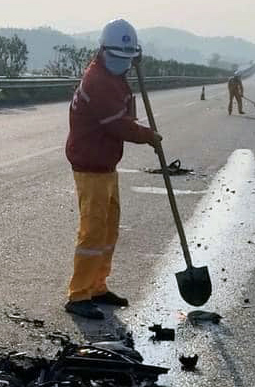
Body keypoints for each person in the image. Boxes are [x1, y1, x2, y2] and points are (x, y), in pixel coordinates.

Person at [62, 18, 162, 321]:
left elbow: (124, 112)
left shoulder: (114, 74)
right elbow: (119, 125)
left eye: (127, 59)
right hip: (90, 165)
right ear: (102, 51)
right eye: (118, 58)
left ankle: (98, 286)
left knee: (109, 229)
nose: (122, 64)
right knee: (93, 231)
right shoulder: (98, 81)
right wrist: (148, 136)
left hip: (106, 165)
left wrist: (132, 63)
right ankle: (79, 294)